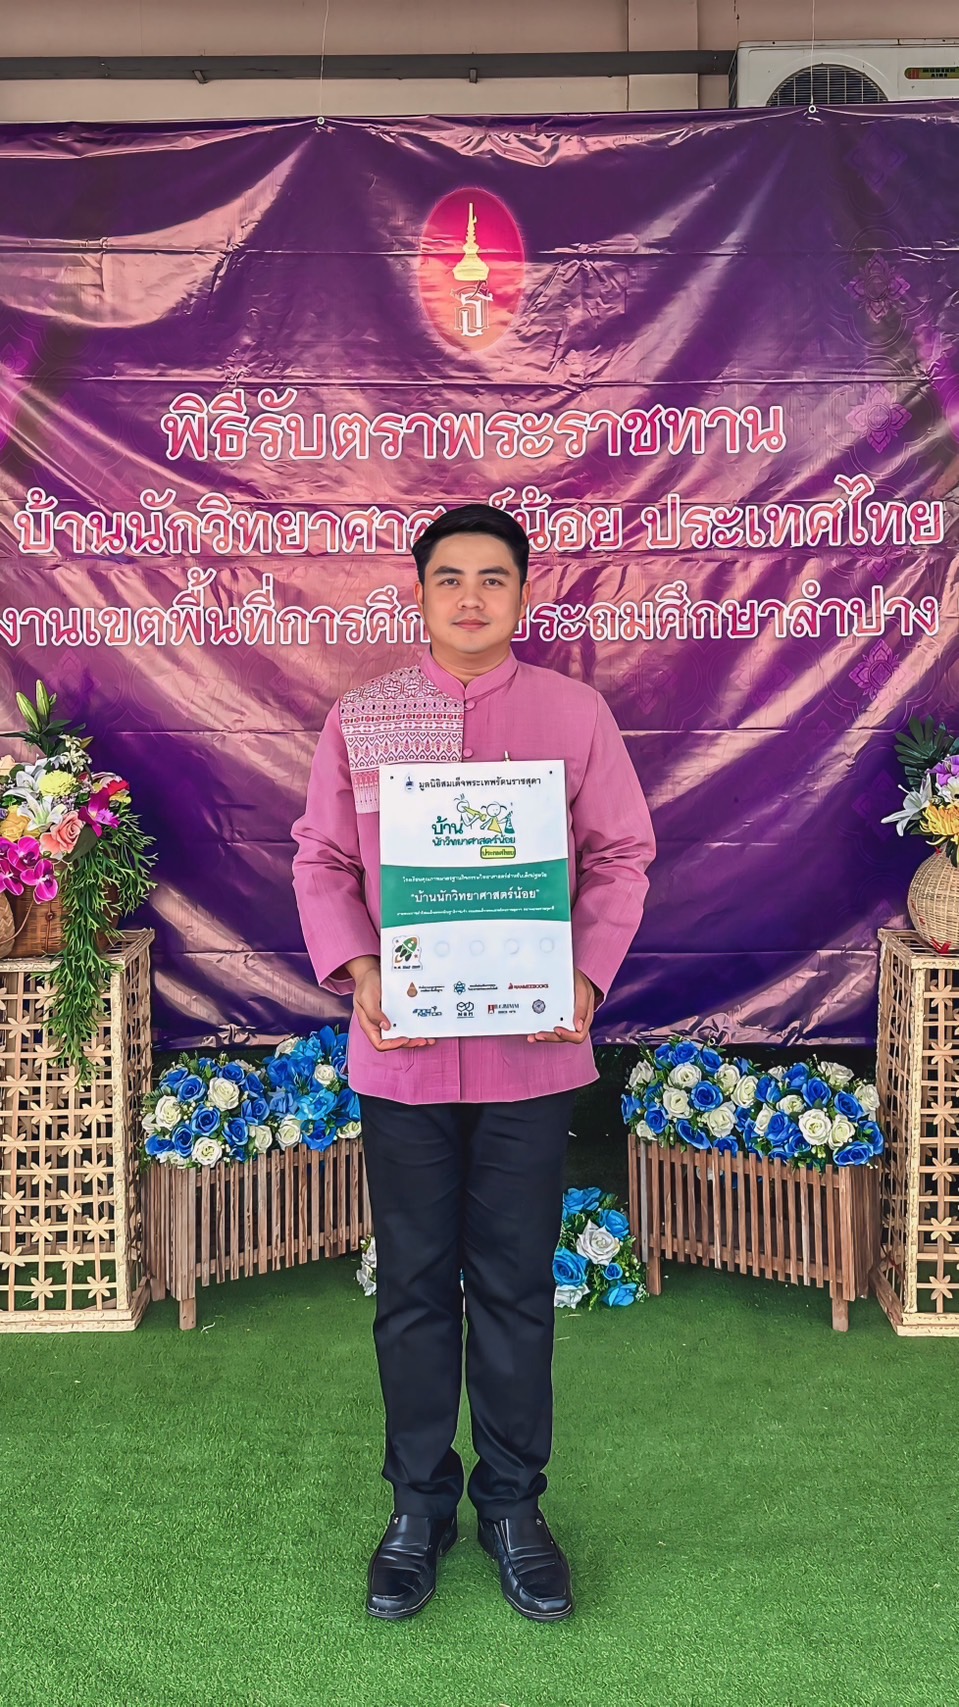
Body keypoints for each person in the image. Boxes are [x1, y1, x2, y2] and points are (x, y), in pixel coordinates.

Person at [291, 502, 656, 1622]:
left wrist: (584, 977)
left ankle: (512, 1506)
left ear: (523, 595)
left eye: (492, 578)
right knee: (411, 1288)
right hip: (400, 1053)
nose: (469, 597)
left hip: (528, 1055)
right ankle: (417, 1507)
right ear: (417, 594)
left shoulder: (572, 714)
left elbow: (621, 854)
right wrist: (359, 969)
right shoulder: (364, 717)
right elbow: (321, 860)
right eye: (447, 577)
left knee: (511, 1284)